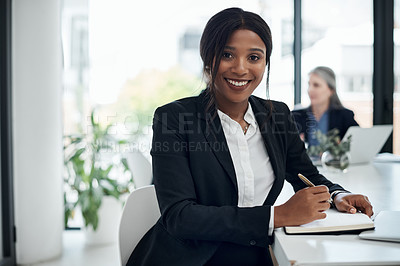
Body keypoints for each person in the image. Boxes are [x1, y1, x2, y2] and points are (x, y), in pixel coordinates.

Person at [127, 8, 373, 266]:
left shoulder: (277, 115)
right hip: (187, 258)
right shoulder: (174, 118)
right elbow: (179, 217)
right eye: (227, 54)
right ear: (207, 57)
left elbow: (306, 176)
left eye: (254, 57)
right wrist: (276, 216)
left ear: (265, 62)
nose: (240, 68)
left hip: (253, 254)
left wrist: (336, 195)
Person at [292, 66, 359, 146]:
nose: (310, 90)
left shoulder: (345, 116)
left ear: (331, 90)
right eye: (309, 84)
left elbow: (360, 142)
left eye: (316, 85)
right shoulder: (295, 116)